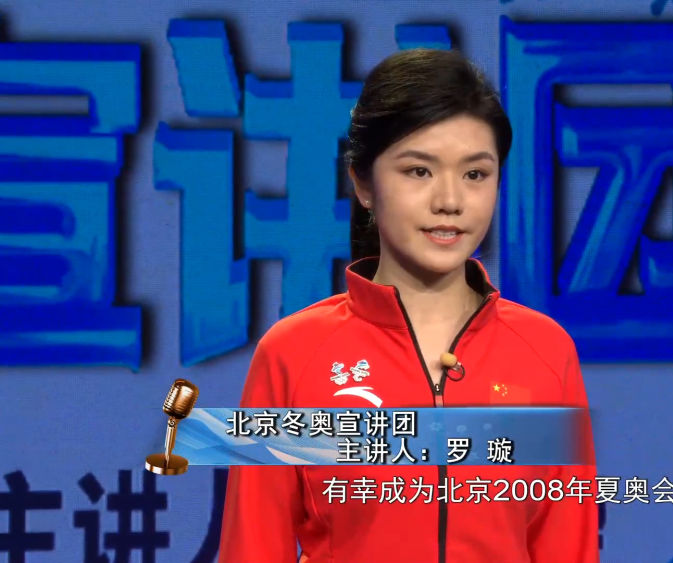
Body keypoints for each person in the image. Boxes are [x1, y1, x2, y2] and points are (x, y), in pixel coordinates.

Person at [218, 48, 597, 563]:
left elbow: (568, 547)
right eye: (419, 171)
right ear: (363, 183)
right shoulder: (293, 354)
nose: (450, 201)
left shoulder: (546, 352)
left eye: (475, 174)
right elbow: (252, 548)